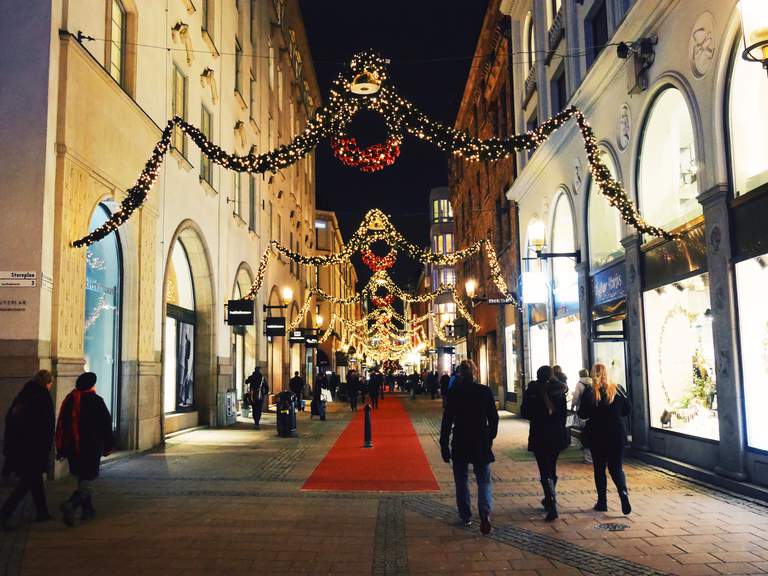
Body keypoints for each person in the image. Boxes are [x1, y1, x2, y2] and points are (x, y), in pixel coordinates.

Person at [440, 360, 498, 535]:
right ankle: (485, 512)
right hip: (480, 439)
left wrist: (444, 444)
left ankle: (465, 515)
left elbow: (447, 420)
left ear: (459, 374)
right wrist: (490, 436)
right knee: (484, 479)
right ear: (475, 372)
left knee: (461, 479)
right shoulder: (484, 391)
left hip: (461, 440)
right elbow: (494, 418)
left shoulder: (454, 393)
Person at [56, 372, 113, 527]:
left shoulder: (70, 399)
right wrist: (109, 445)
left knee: (82, 477)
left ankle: (88, 511)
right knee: (88, 478)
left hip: (74, 448)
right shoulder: (96, 401)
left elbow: (62, 424)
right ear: (91, 385)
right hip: (91, 447)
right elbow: (106, 424)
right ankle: (71, 504)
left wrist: (62, 448)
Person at [1, 370, 55, 529]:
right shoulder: (43, 397)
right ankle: (5, 512)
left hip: (20, 446)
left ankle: (42, 511)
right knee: (27, 482)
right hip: (35, 447)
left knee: (34, 480)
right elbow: (47, 424)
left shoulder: (24, 394)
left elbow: (10, 419)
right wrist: (48, 445)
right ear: (47, 383)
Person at [578, 363, 632, 515]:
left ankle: (602, 502)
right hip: (616, 434)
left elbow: (582, 414)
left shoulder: (590, 392)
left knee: (599, 469)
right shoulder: (617, 389)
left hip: (597, 435)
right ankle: (623, 492)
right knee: (616, 467)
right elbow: (628, 409)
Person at [520, 365, 568, 521]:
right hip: (556, 433)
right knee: (552, 467)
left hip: (539, 433)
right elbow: (563, 414)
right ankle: (550, 498)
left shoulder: (532, 391)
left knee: (544, 469)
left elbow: (525, 412)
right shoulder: (560, 391)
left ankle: (551, 502)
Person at [571, 368, 593, 464]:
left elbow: (576, 396)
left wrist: (573, 405)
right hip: (592, 409)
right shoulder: (592, 382)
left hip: (582, 408)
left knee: (583, 429)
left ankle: (585, 447)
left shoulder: (579, 384)